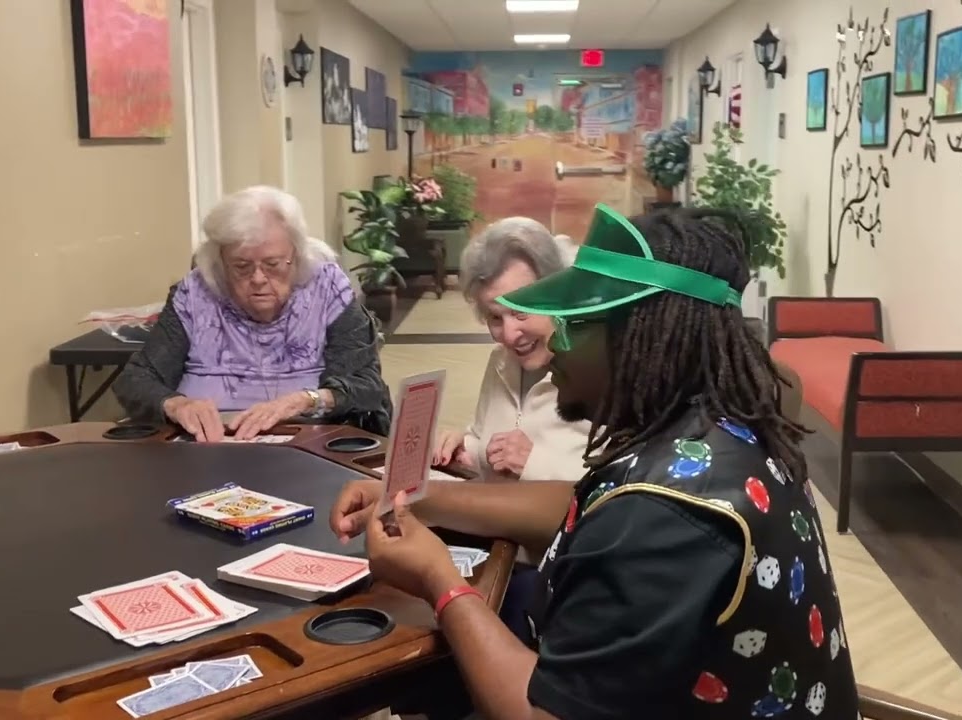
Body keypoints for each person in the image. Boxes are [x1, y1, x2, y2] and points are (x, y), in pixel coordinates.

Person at [329, 205, 859, 719]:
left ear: (637, 341)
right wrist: (423, 497)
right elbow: (577, 504)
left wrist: (440, 581)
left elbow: (540, 713)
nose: (555, 343)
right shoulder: (719, 432)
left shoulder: (666, 516)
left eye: (575, 324)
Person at [114, 186, 391, 441]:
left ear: (296, 255)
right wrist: (176, 405)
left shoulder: (327, 287)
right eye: (241, 266)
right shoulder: (195, 294)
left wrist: (307, 399)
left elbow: (366, 385)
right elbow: (136, 379)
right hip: (208, 448)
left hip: (311, 444)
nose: (258, 278)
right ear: (220, 263)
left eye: (273, 264)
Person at [434, 217, 588, 482]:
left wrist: (535, 464)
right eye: (495, 317)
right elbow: (486, 441)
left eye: (521, 312)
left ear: (561, 295)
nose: (508, 335)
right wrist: (465, 447)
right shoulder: (501, 362)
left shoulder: (599, 372)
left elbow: (629, 482)